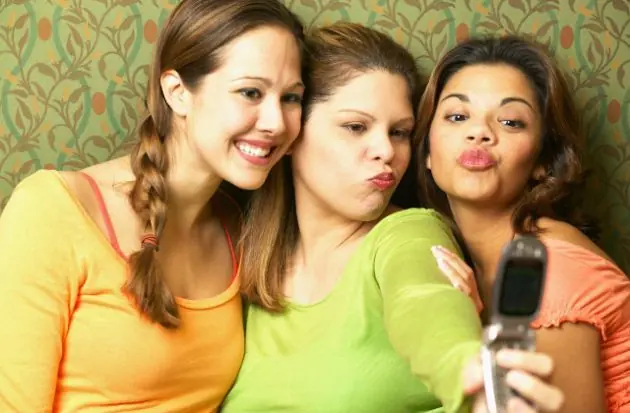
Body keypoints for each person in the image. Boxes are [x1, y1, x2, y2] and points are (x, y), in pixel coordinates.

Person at [221, 23, 564, 413]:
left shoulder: (408, 234)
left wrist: (472, 374)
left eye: (400, 132)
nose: (386, 150)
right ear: (292, 131)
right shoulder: (248, 257)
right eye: (356, 127)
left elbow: (423, 302)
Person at [0, 0, 305, 411]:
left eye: (291, 98)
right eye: (250, 92)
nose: (276, 122)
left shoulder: (243, 229)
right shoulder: (52, 210)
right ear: (178, 93)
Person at [416, 35, 630, 413]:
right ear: (427, 151)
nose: (479, 132)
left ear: (542, 162)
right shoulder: (465, 257)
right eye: (458, 116)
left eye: (511, 122)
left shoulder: (550, 268)